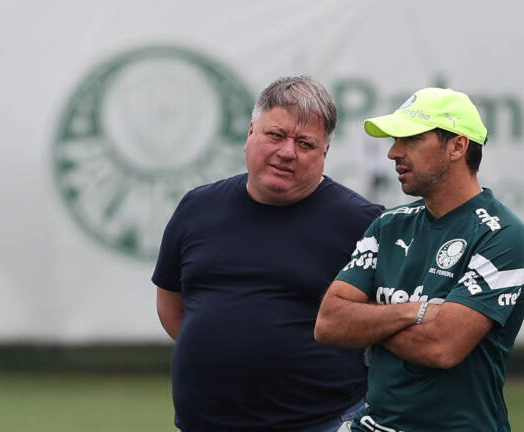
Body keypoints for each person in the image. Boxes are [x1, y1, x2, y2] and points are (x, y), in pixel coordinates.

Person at [153, 76, 384, 432]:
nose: (287, 151)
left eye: (305, 143)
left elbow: (385, 322)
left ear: (324, 153)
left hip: (321, 422)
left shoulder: (362, 222)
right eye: (275, 135)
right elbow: (171, 305)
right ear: (250, 134)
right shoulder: (197, 207)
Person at [315, 87, 524, 432]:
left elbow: (441, 347)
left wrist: (366, 320)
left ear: (458, 147)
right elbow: (328, 323)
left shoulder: (502, 235)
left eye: (411, 139)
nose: (392, 152)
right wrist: (412, 312)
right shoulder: (388, 225)